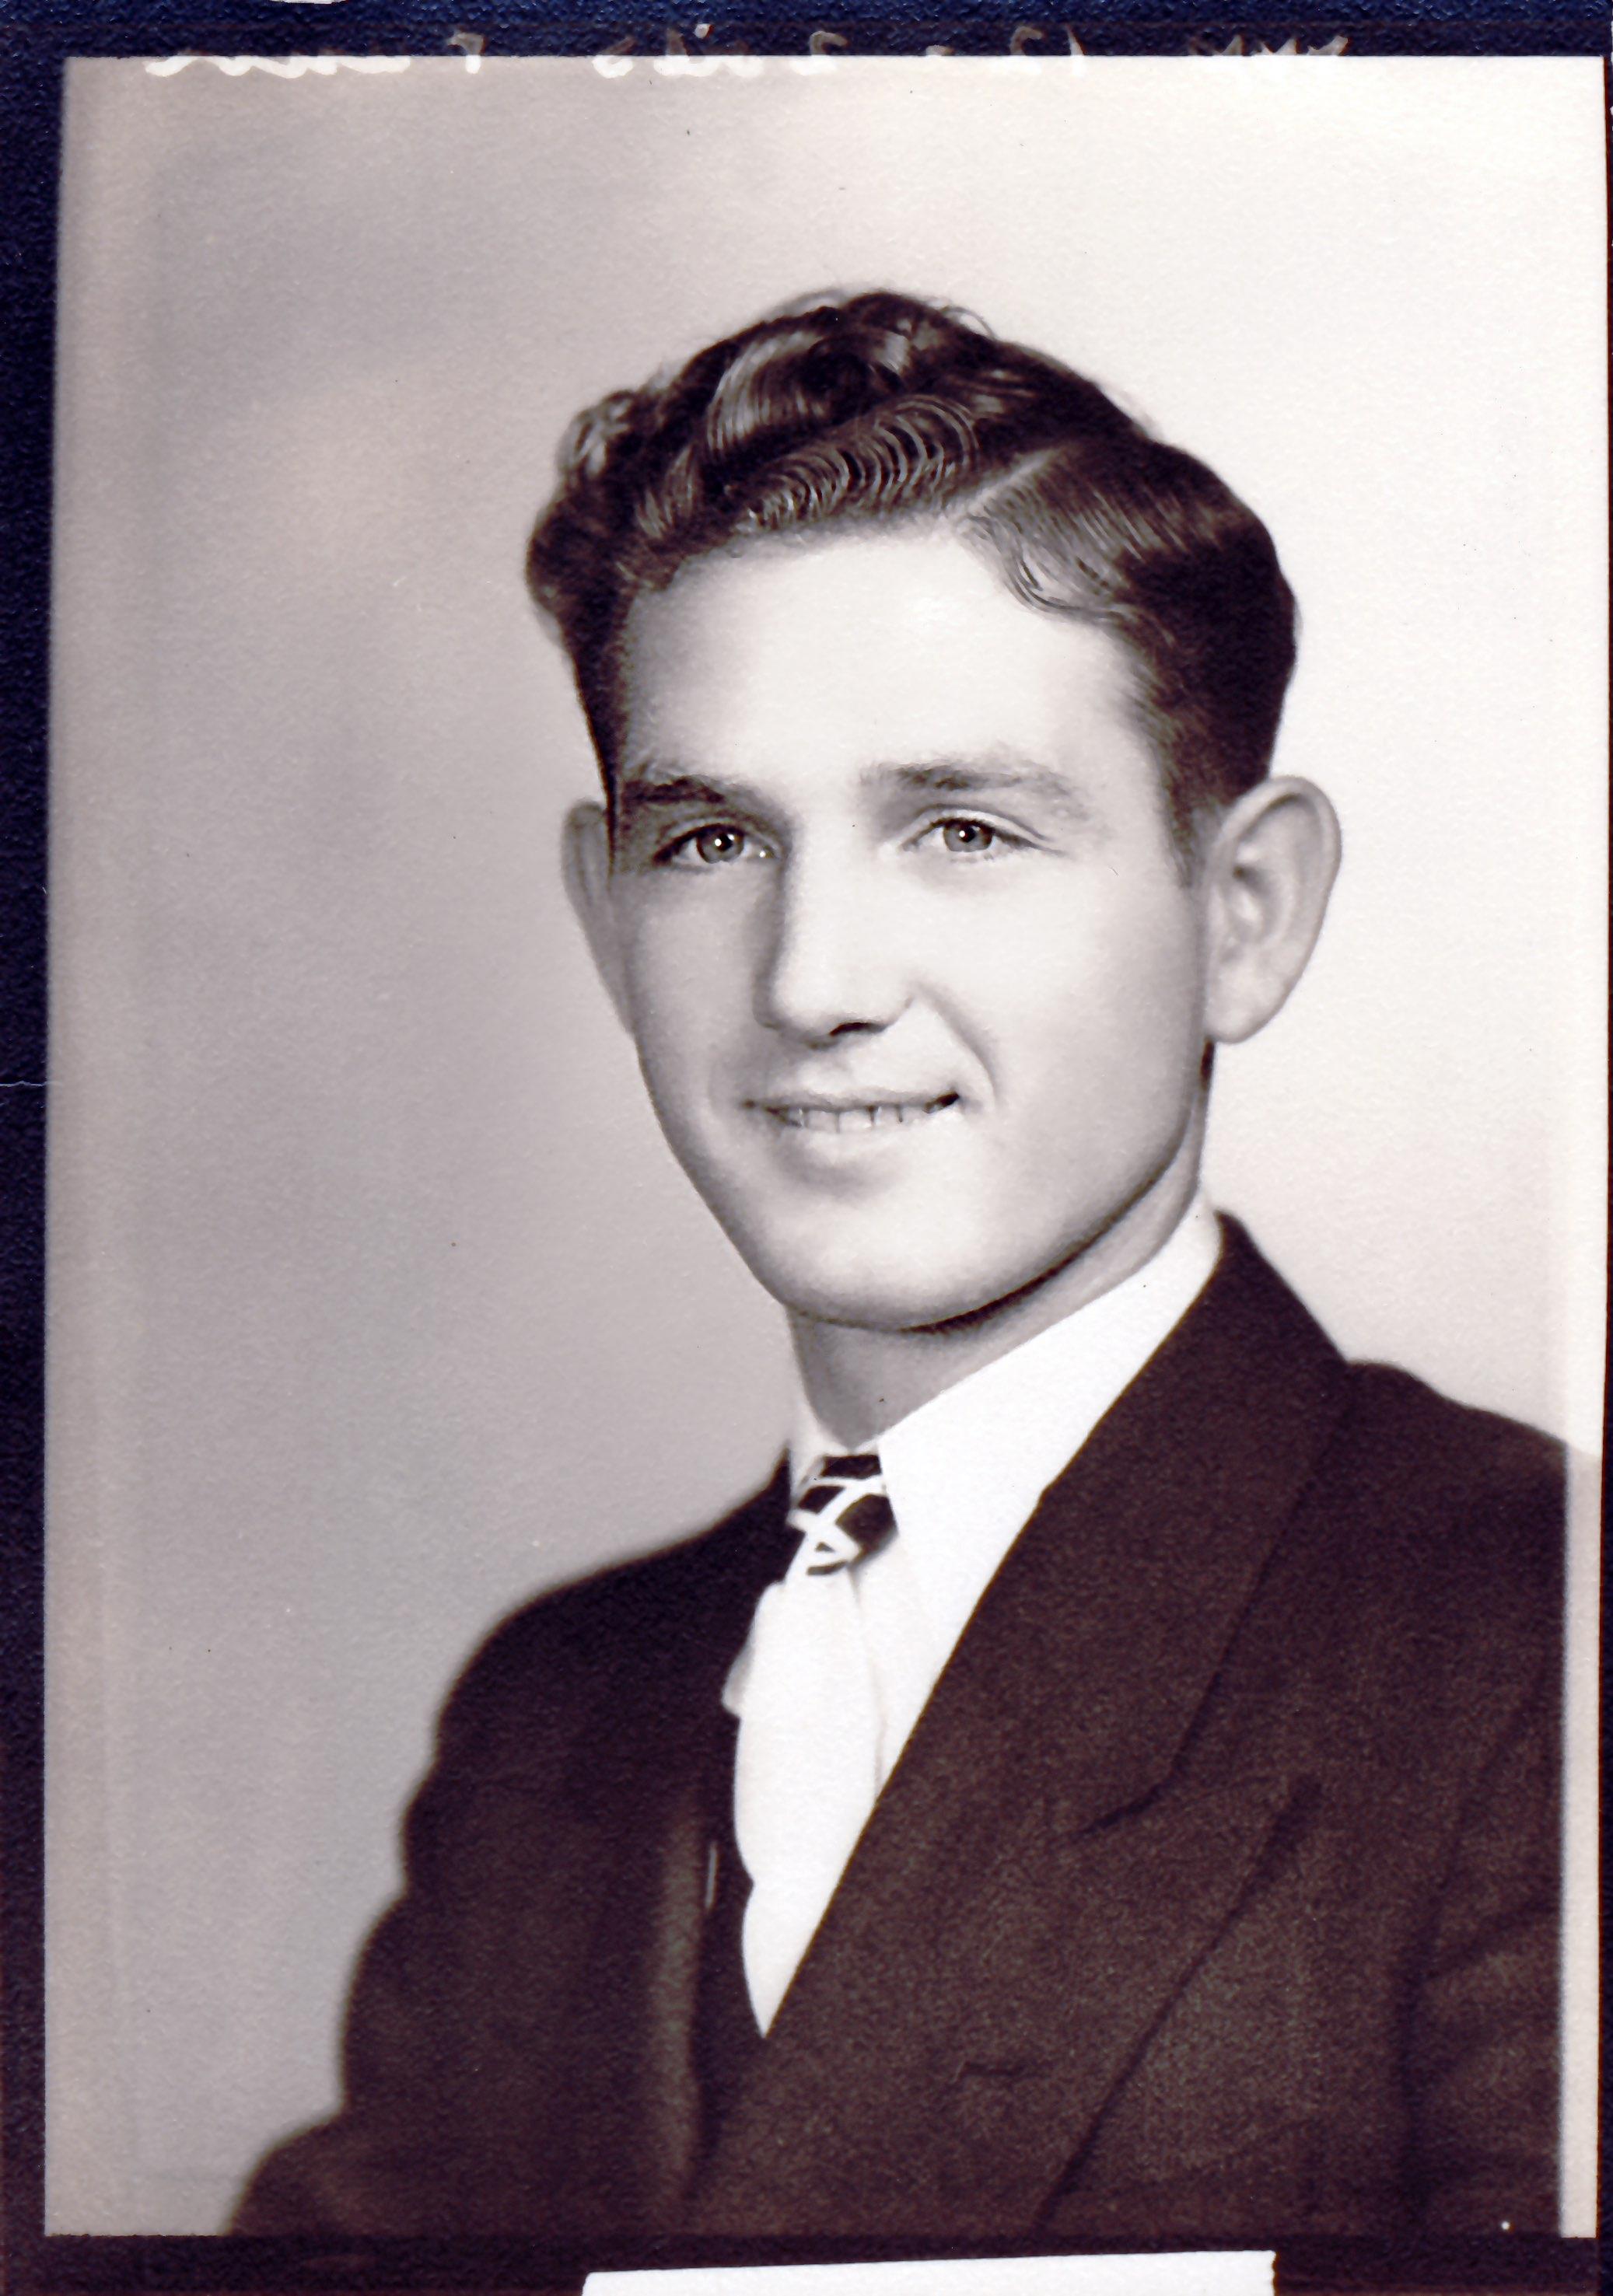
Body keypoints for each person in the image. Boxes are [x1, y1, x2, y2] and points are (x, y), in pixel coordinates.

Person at [233, 291, 1562, 2242]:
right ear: (608, 928)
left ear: (1246, 913)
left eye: (959, 825)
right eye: (708, 844)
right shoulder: (553, 1718)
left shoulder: (1530, 1635)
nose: (812, 982)